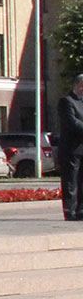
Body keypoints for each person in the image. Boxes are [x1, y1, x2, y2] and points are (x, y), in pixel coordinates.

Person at [59, 76, 83, 221]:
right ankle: (70, 211)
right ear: (76, 84)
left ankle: (81, 210)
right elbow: (71, 122)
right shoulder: (66, 101)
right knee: (71, 181)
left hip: (82, 147)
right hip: (71, 149)